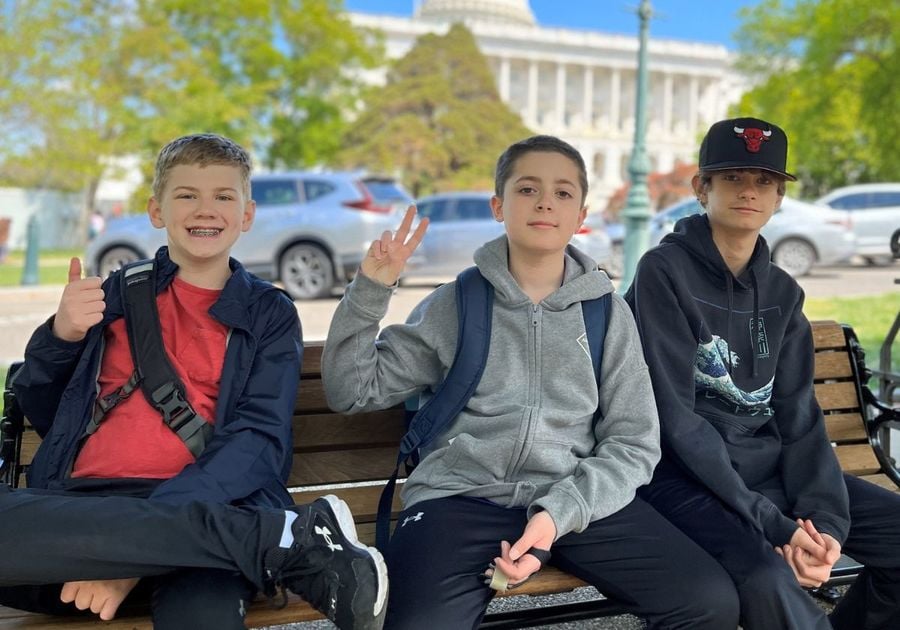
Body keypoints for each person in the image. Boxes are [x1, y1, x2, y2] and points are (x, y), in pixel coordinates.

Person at [322, 135, 739, 629]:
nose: (545, 201)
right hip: (459, 501)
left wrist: (556, 515)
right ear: (499, 206)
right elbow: (351, 390)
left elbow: (634, 440)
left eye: (563, 193)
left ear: (581, 214)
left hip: (576, 499)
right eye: (527, 189)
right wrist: (371, 287)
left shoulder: (607, 313)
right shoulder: (456, 304)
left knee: (709, 602)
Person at [0, 133, 386, 630]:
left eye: (224, 196)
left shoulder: (267, 313)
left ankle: (242, 539)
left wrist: (126, 555)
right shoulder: (115, 292)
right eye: (186, 195)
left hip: (205, 502)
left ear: (246, 215)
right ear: (156, 210)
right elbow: (43, 406)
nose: (206, 209)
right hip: (82, 509)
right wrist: (62, 335)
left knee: (201, 610)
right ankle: (284, 540)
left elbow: (259, 440)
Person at [625, 117, 900, 630]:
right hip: (681, 477)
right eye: (732, 178)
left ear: (778, 199)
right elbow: (675, 421)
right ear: (701, 188)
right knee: (768, 577)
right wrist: (775, 526)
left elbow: (799, 419)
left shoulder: (783, 293)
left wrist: (826, 524)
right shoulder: (662, 273)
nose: (749, 192)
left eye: (764, 182)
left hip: (765, 474)